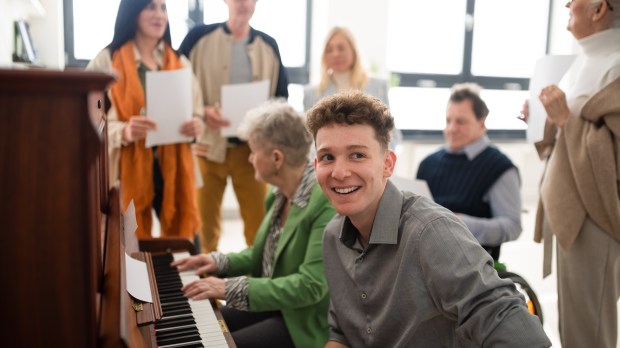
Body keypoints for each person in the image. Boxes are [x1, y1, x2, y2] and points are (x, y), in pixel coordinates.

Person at [306, 90, 551, 348]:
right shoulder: (333, 236)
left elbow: (522, 336)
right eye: (327, 157)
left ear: (388, 164)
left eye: (357, 155)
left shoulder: (431, 233)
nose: (340, 172)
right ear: (315, 166)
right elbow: (342, 332)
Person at [171, 100, 335, 348]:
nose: (249, 158)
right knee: (198, 328)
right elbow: (264, 253)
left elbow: (309, 287)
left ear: (276, 158)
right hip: (276, 303)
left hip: (304, 320)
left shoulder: (324, 203)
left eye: (253, 151)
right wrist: (217, 262)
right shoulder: (278, 193)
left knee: (216, 343)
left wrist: (228, 287)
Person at [519, 1, 620, 346]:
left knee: (591, 334)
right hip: (573, 213)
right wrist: (544, 120)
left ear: (598, 10)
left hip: (595, 218)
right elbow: (567, 137)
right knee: (574, 329)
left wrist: (564, 119)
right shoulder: (583, 62)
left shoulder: (616, 63)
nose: (565, 3)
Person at [178, 0, 289, 253]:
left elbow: (280, 100)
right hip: (207, 150)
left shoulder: (269, 46)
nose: (245, 3)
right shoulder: (198, 38)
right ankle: (208, 288)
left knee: (259, 228)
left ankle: (258, 289)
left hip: (252, 153)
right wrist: (203, 112)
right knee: (205, 230)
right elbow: (176, 86)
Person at [86, 0, 203, 239]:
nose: (159, 14)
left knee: (186, 240)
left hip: (173, 165)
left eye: (163, 7)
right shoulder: (106, 61)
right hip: (124, 169)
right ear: (133, 12)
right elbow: (86, 120)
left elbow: (197, 112)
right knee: (127, 241)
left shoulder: (180, 62)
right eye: (150, 7)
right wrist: (124, 131)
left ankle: (182, 274)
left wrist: (196, 125)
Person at [417, 84, 521, 259]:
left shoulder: (500, 167)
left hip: (470, 264)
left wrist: (460, 223)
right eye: (448, 121)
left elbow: (512, 227)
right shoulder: (427, 164)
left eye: (461, 121)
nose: (451, 129)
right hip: (424, 256)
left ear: (482, 123)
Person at [303, 26, 401, 149]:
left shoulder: (378, 87)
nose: (335, 54)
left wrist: (381, 162)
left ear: (354, 51)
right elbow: (309, 139)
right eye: (329, 49)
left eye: (341, 48)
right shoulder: (311, 93)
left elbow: (391, 133)